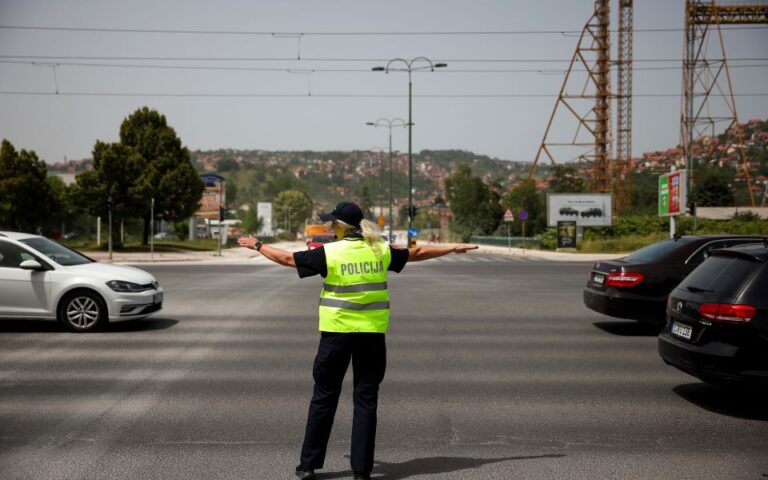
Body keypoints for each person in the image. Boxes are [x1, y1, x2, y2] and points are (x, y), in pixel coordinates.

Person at [238, 202, 477, 480]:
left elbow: (288, 259)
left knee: (324, 398)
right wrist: (452, 247)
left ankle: (309, 466)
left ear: (339, 226)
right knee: (366, 401)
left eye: (332, 223)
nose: (330, 227)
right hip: (372, 337)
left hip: (336, 335)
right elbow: (418, 252)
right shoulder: (379, 250)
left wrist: (257, 245)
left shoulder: (329, 252)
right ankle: (362, 470)